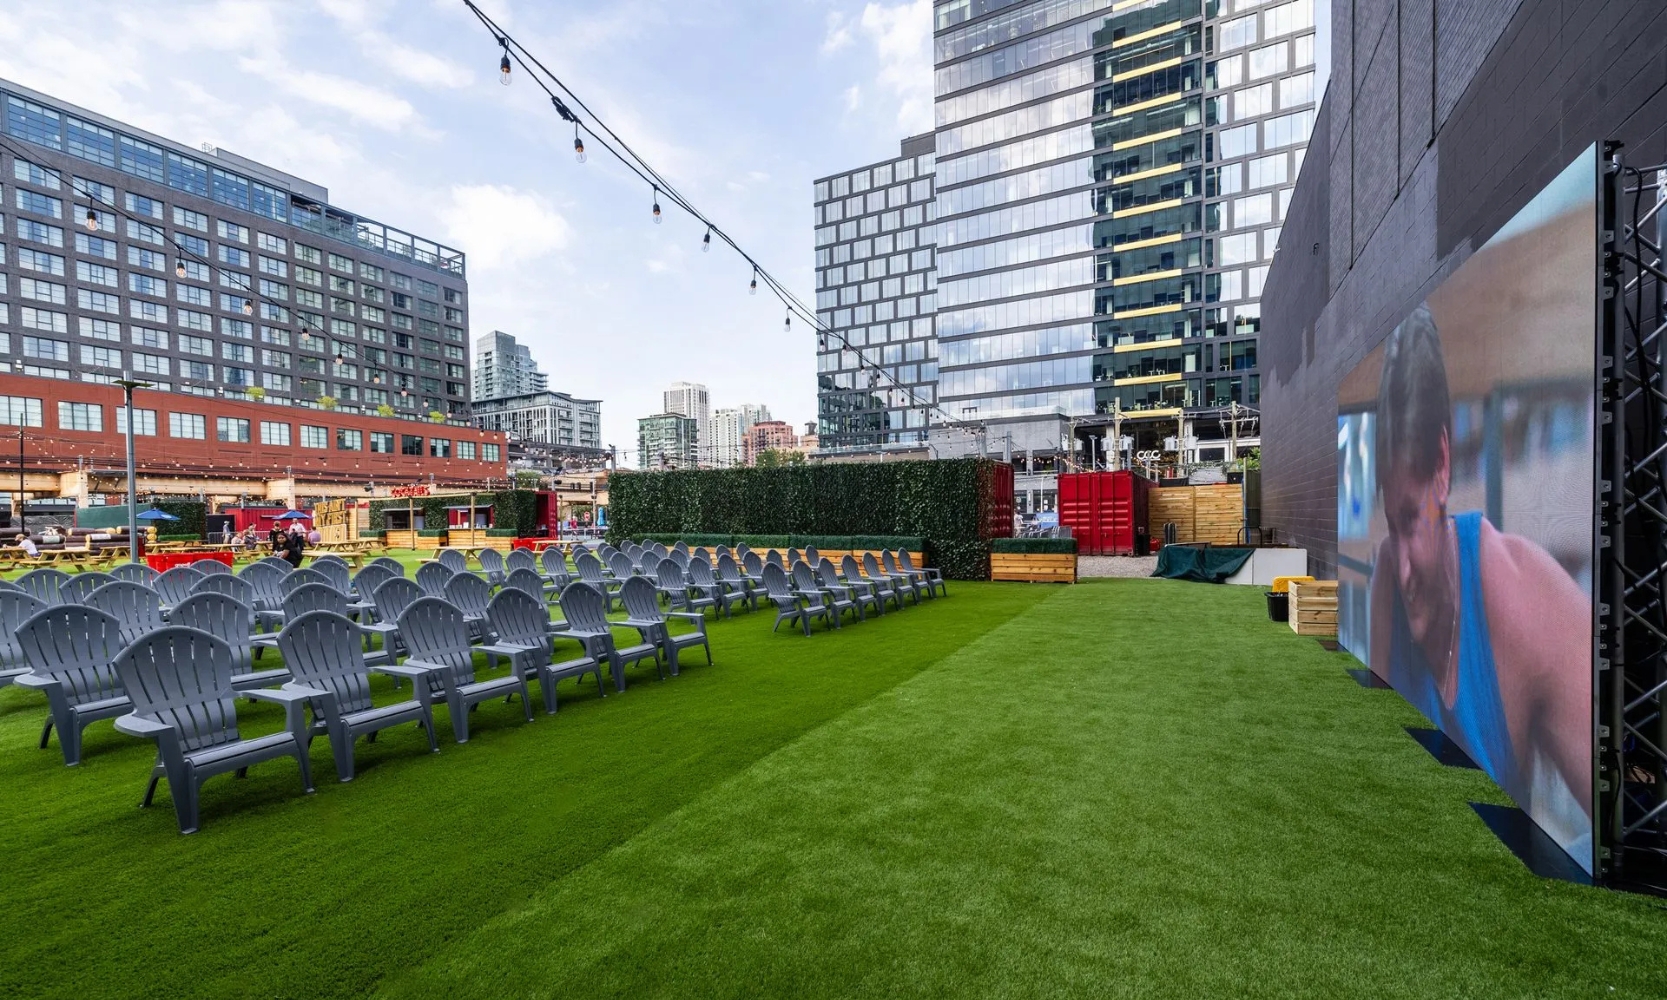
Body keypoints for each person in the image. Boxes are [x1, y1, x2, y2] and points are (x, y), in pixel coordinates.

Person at [1368, 305, 1592, 839]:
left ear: (1442, 466)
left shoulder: (1527, 599)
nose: (1400, 568)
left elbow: (1634, 830)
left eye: (1409, 521)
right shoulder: (1383, 579)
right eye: (1389, 526)